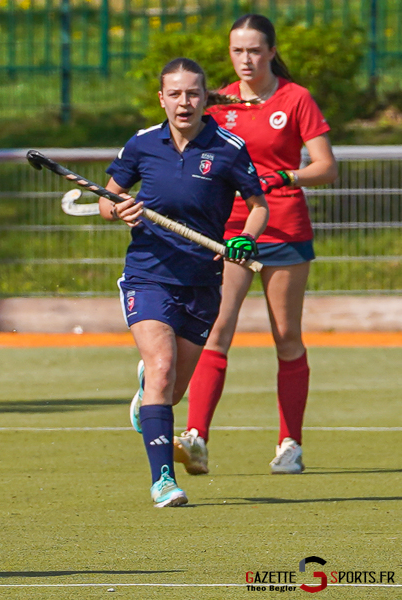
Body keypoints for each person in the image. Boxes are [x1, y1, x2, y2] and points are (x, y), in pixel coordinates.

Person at [174, 14, 338, 477]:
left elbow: (326, 167)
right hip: (231, 231)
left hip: (285, 228)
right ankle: (196, 438)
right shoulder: (216, 102)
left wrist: (285, 175)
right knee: (216, 328)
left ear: (270, 51)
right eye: (237, 51)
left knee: (285, 336)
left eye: (254, 50)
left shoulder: (295, 98)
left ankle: (291, 444)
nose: (245, 60)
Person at [102, 57, 268, 507]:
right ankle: (163, 481)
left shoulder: (228, 147)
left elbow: (258, 206)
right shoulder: (141, 146)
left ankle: (146, 394)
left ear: (204, 97)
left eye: (192, 93)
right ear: (162, 98)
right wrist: (120, 209)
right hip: (148, 274)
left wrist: (245, 241)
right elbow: (107, 201)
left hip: (201, 281)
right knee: (161, 367)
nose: (184, 102)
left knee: (171, 389)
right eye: (174, 94)